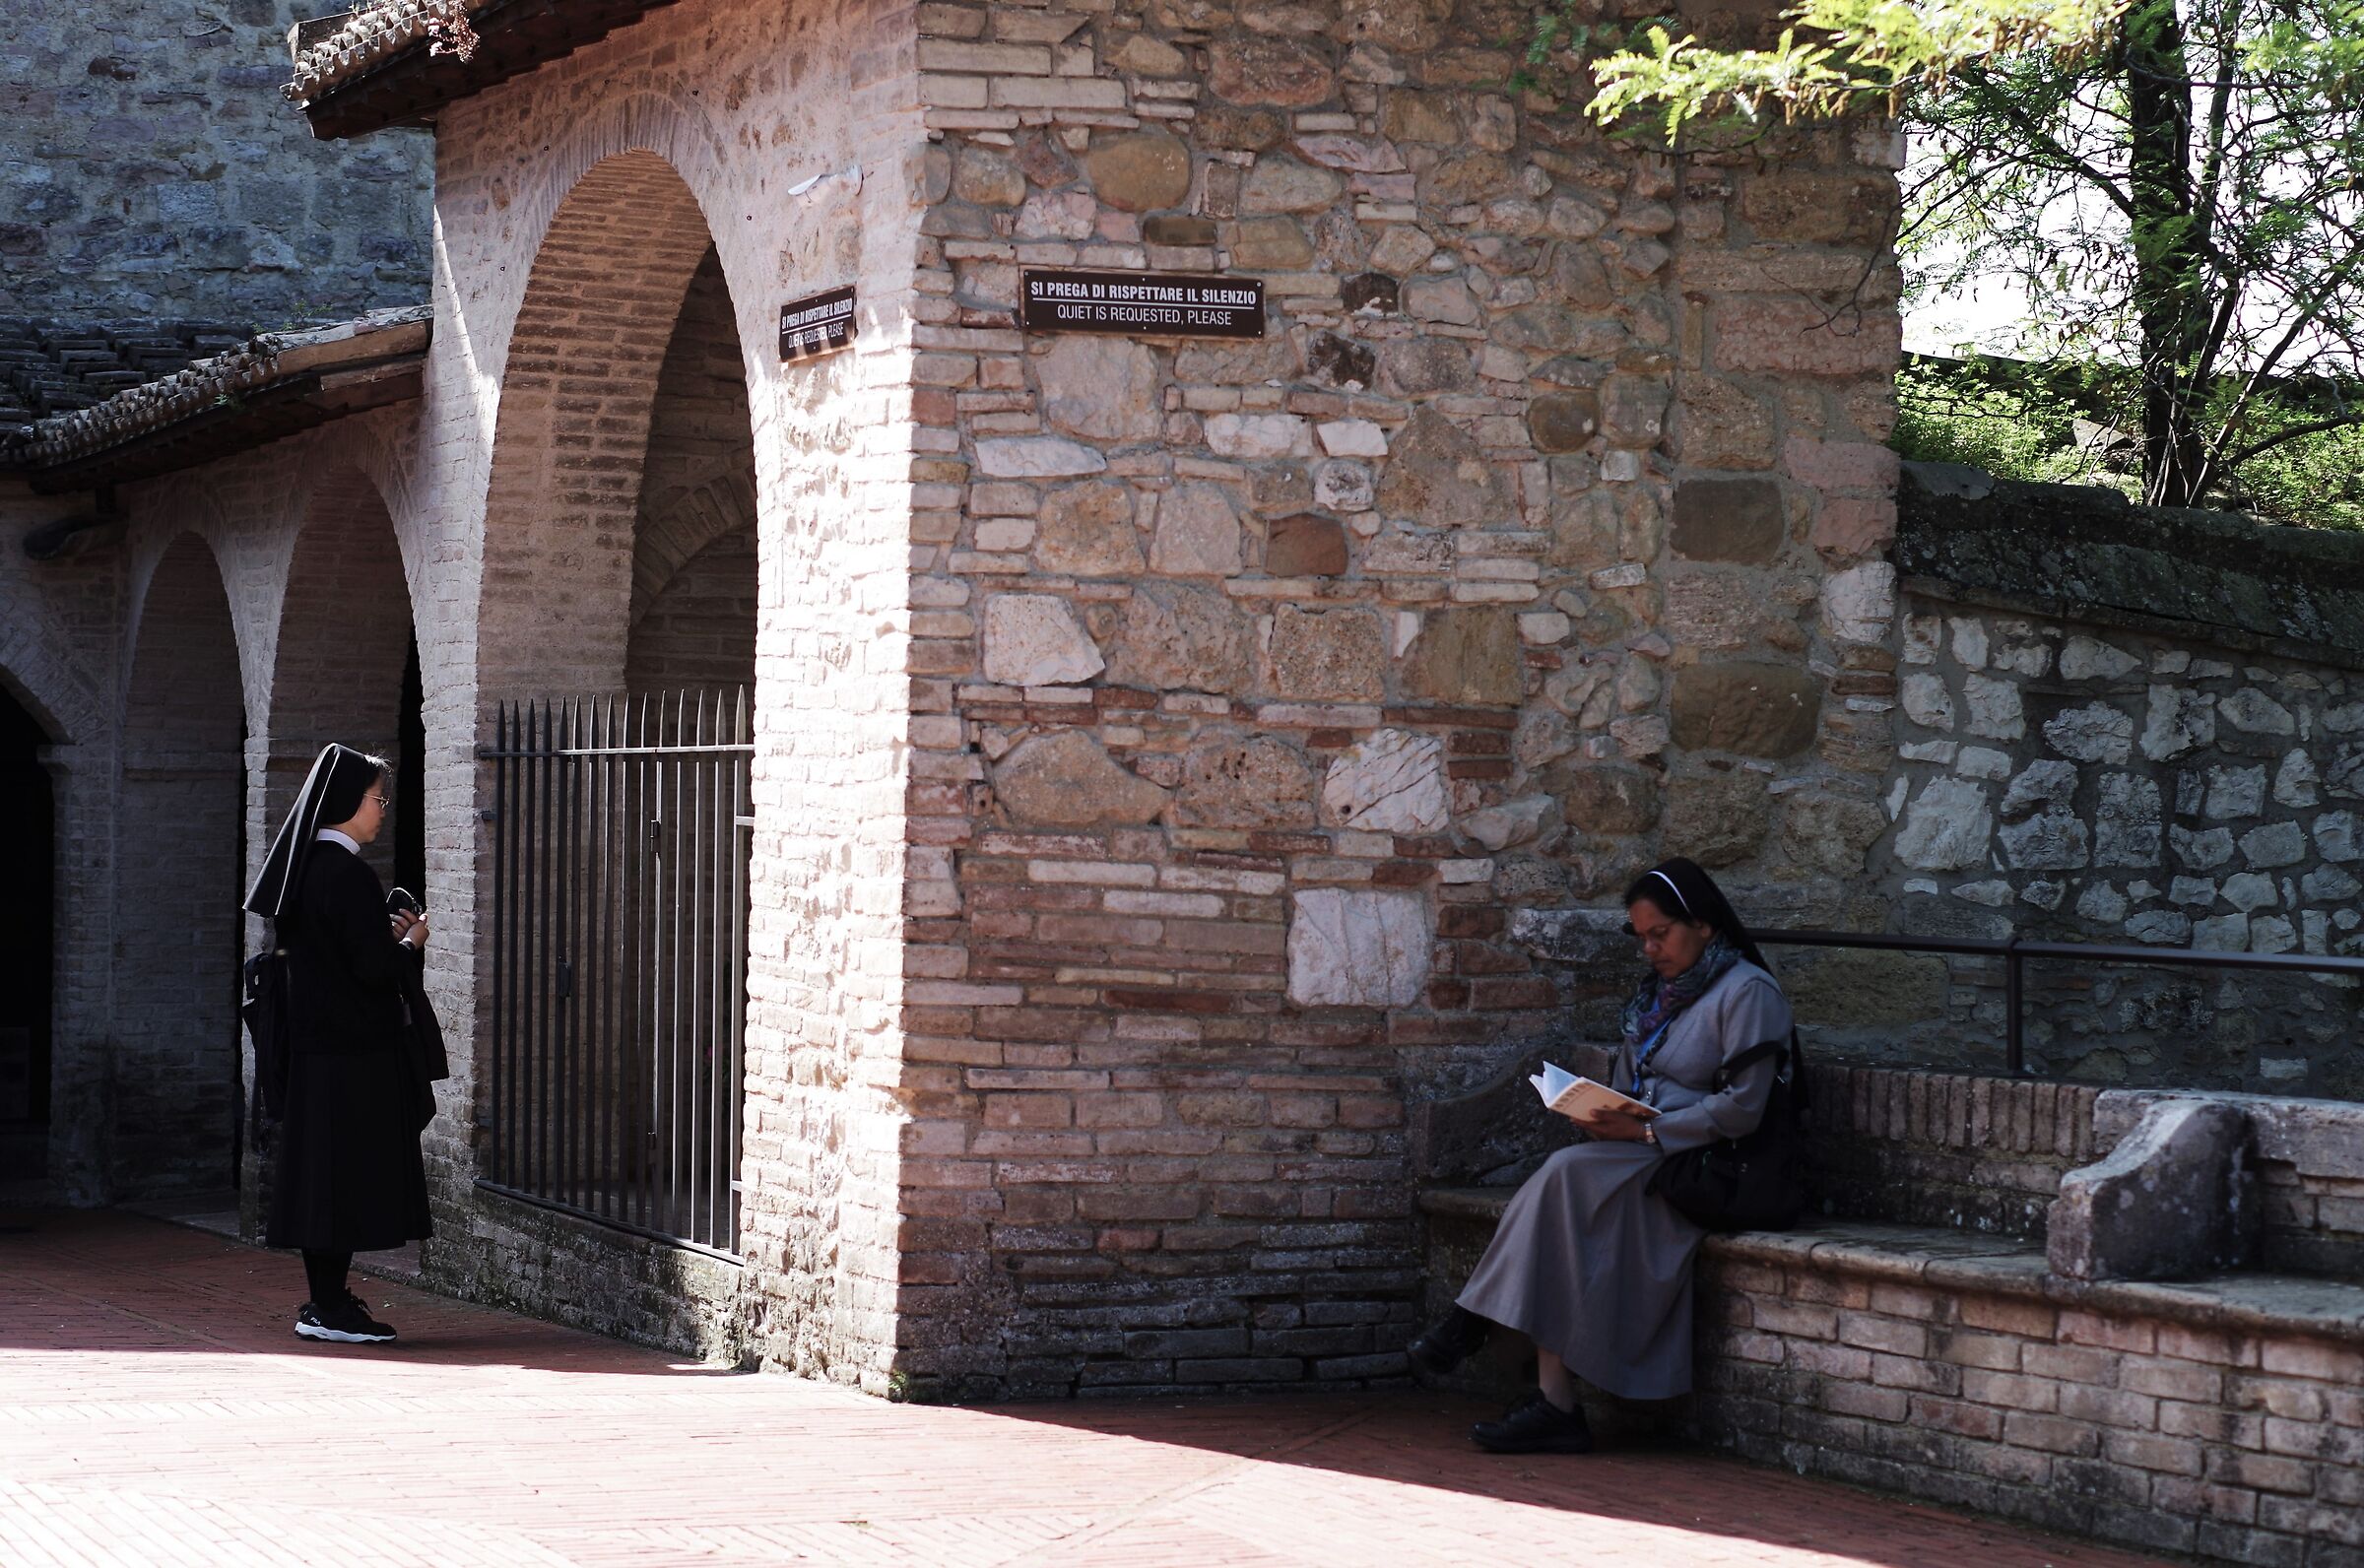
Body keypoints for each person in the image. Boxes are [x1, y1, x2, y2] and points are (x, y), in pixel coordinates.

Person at [1405, 856, 1794, 1454]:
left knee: (1562, 1177)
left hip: (1709, 1166)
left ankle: (1473, 1325)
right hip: (1647, 1153)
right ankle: (1550, 1397)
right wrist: (1599, 1108)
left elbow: (1744, 1108)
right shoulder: (1658, 998)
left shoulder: (1748, 992)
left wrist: (1642, 1133)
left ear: (1706, 926)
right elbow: (1639, 1083)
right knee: (1560, 1206)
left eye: (1660, 934)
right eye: (1641, 938)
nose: (1650, 950)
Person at [242, 744, 436, 1344]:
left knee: (325, 1181)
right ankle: (327, 1306)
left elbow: (335, 956)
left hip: (318, 1051)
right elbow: (373, 970)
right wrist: (410, 943)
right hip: (351, 1055)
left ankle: (326, 1301)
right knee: (342, 1182)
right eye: (378, 798)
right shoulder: (346, 873)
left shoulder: (310, 870)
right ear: (347, 802)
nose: (383, 810)